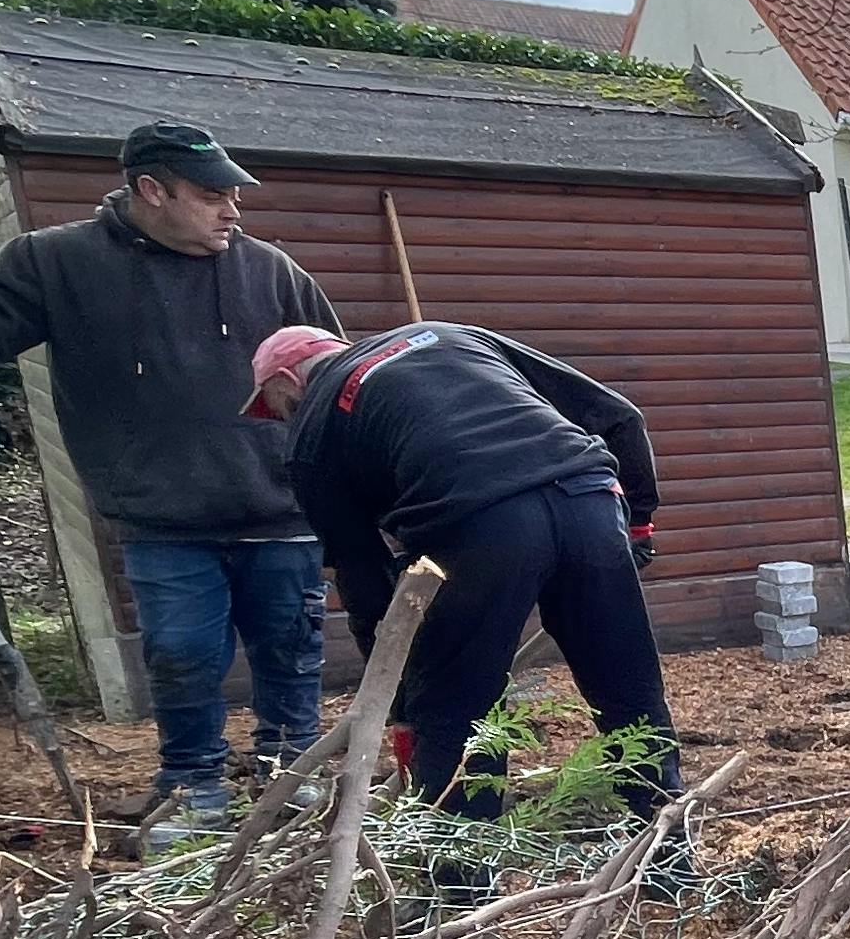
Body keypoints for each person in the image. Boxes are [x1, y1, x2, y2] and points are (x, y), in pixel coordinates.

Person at [0, 121, 328, 839]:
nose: (233, 210)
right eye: (211, 195)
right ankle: (193, 784)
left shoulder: (271, 272)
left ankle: (291, 769)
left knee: (290, 649)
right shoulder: (62, 264)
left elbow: (329, 371)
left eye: (234, 194)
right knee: (181, 656)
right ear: (151, 191)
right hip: (162, 518)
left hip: (280, 510)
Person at [246, 321, 676, 824]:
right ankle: (665, 848)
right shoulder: (450, 335)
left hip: (477, 523)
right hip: (589, 499)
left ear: (287, 380)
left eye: (276, 407)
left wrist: (402, 689)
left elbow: (361, 573)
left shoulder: (311, 432)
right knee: (629, 689)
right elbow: (620, 416)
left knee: (456, 709)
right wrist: (638, 526)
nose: (282, 420)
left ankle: (463, 863)